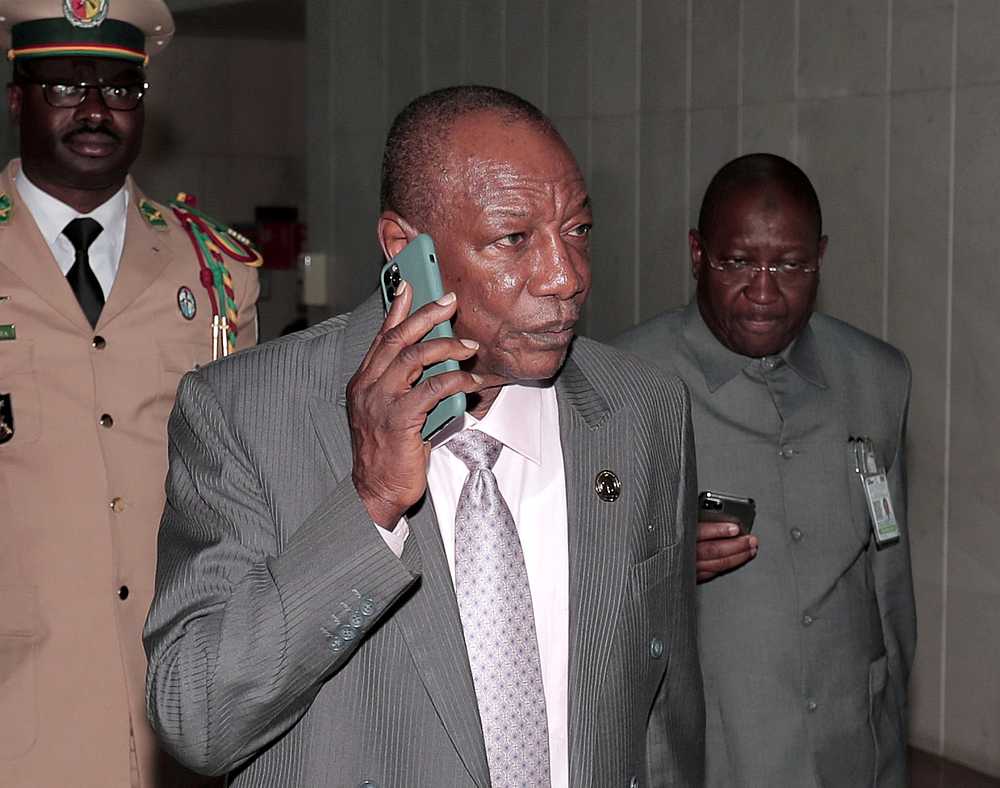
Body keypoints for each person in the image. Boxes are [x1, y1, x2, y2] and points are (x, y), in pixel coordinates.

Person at [144, 85, 704, 787]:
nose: (566, 277)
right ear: (407, 250)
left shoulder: (641, 410)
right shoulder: (246, 414)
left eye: (578, 231)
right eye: (514, 239)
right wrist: (370, 504)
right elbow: (195, 718)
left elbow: (664, 715)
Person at [0, 2, 260, 786]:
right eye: (65, 85)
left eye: (118, 90)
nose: (94, 110)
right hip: (23, 715)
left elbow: (245, 493)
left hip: (182, 716)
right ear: (17, 98)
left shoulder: (216, 270)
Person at [615, 153, 916, 787]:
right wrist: (657, 559)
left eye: (788, 265)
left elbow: (889, 585)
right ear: (698, 254)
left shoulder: (877, 377)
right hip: (707, 754)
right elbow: (573, 584)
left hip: (846, 749)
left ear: (821, 259)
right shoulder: (624, 381)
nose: (763, 291)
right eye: (737, 262)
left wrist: (889, 743)